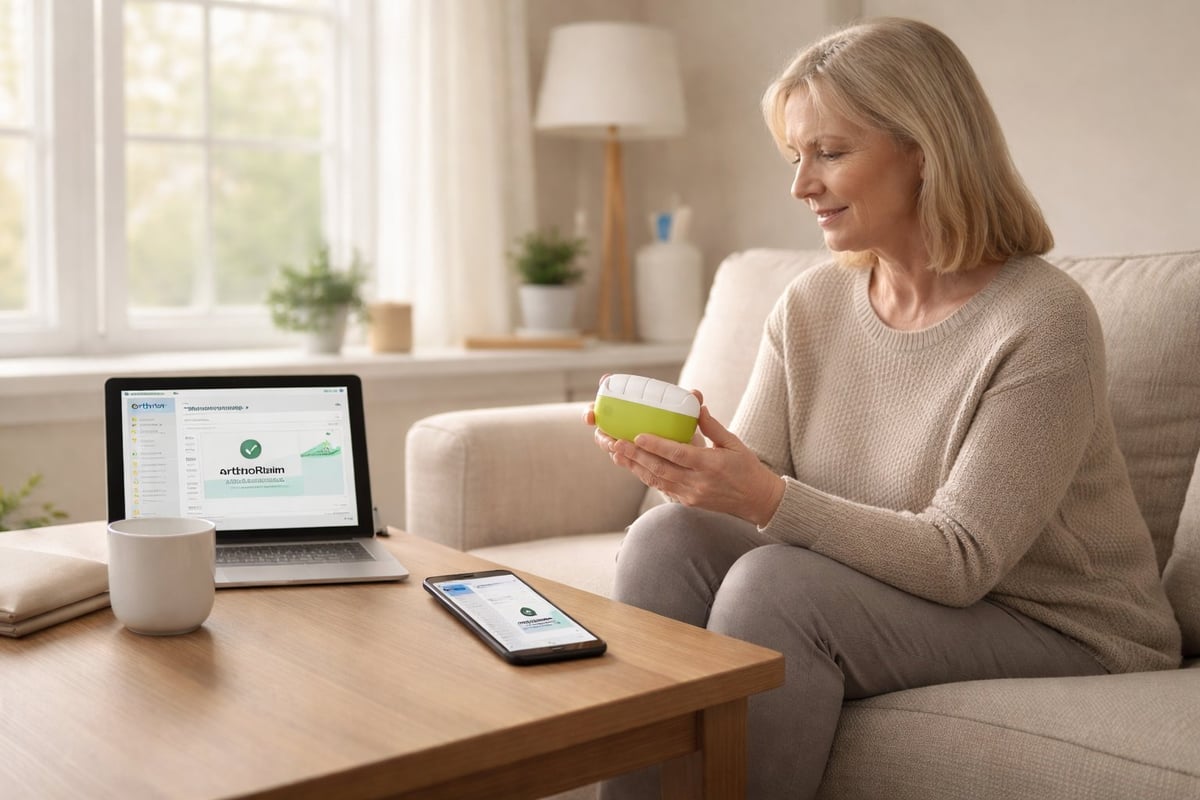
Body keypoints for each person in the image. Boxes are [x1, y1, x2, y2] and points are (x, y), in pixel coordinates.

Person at [585, 16, 1182, 800]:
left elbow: (961, 557)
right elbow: (754, 486)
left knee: (777, 592)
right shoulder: (811, 305)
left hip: (1060, 621)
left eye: (830, 154)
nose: (802, 185)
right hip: (902, 586)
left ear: (926, 152)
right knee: (669, 538)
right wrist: (690, 472)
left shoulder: (1043, 319)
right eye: (796, 157)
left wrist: (760, 494)